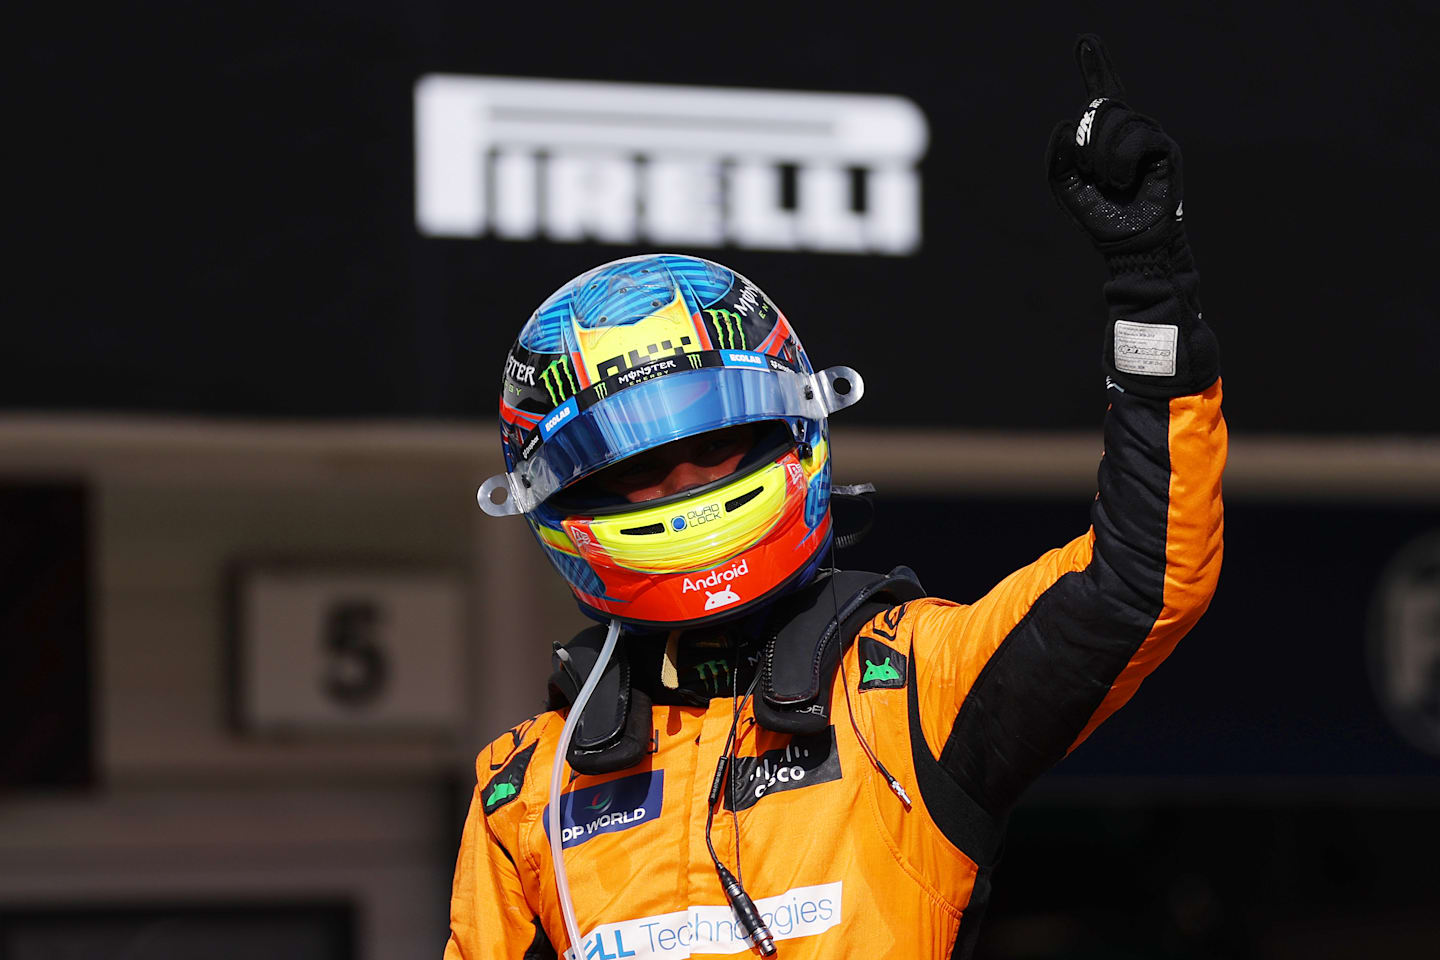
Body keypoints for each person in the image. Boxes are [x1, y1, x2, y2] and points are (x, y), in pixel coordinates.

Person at [448, 34, 1224, 960]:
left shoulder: (908, 690)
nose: (684, 489)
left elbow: (1144, 581)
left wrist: (1149, 291)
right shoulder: (527, 788)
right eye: (634, 474)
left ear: (796, 433)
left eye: (718, 448)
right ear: (559, 501)